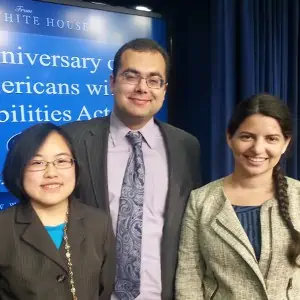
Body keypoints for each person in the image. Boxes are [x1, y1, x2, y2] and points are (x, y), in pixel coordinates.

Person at [63, 38, 202, 300]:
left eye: (153, 80)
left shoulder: (186, 146)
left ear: (164, 89)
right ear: (112, 82)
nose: (142, 88)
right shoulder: (73, 140)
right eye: (131, 76)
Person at [176, 93, 300, 299]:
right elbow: (188, 278)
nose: (258, 148)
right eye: (247, 136)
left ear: (285, 143)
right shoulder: (200, 201)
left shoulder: (298, 196)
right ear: (229, 138)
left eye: (271, 139)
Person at [0, 123, 115, 300]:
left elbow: (104, 291)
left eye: (61, 161)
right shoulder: (3, 229)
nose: (51, 173)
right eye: (37, 162)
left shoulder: (99, 223)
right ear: (19, 170)